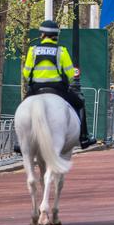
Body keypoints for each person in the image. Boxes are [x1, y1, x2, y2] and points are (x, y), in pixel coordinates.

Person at [19, 20, 97, 152]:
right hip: (58, 89)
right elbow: (70, 73)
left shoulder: (33, 51)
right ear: (56, 36)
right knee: (80, 103)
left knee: (22, 110)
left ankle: (20, 141)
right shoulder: (61, 51)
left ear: (42, 35)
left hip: (36, 88)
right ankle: (84, 137)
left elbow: (26, 72)